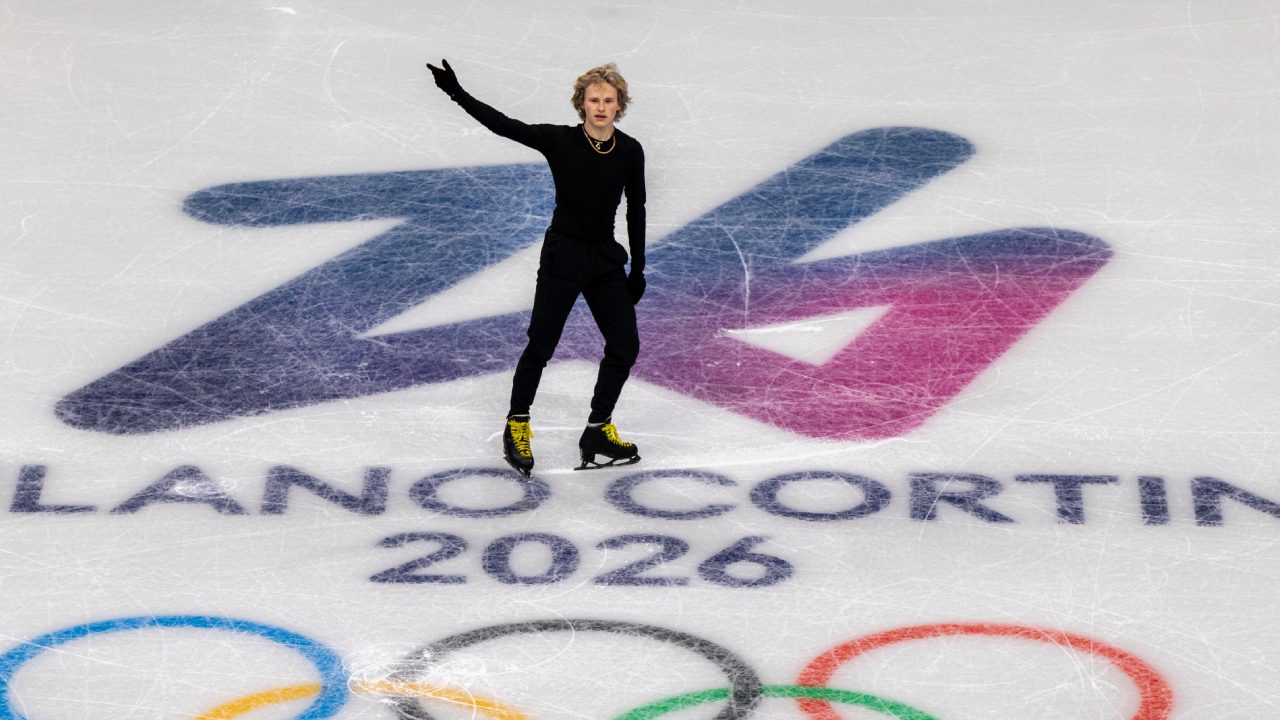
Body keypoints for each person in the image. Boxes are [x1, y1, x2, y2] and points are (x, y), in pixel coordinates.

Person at [426, 59, 646, 474]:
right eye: (593, 99)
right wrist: (456, 92)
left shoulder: (631, 150)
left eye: (609, 100)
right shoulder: (560, 141)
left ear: (620, 105)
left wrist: (638, 268)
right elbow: (504, 125)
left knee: (625, 346)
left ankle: (598, 428)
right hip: (564, 255)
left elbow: (637, 208)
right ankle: (517, 423)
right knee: (541, 344)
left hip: (604, 259)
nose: (601, 106)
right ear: (581, 104)